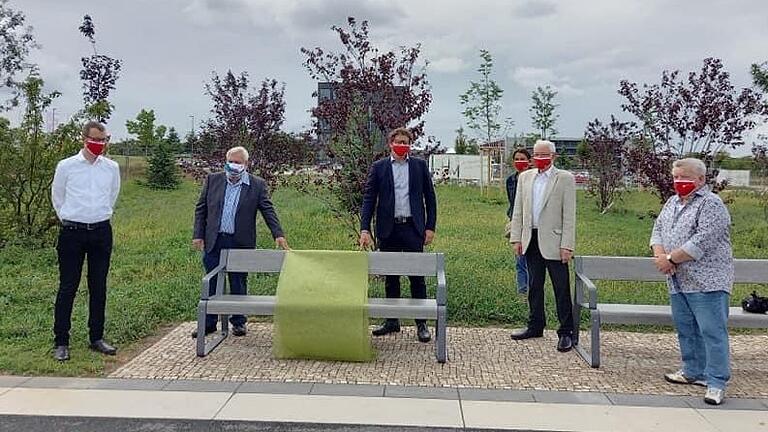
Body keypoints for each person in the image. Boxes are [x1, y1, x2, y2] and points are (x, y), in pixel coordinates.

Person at [650, 158, 733, 406]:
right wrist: (660, 255)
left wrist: (670, 258)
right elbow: (658, 228)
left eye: (684, 178)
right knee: (686, 328)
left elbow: (703, 239)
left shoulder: (712, 204)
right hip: (678, 279)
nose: (679, 183)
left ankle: (716, 381)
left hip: (707, 281)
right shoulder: (672, 202)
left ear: (700, 179)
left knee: (712, 331)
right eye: (676, 178)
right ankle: (692, 370)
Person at [192, 146, 289, 338]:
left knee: (238, 281)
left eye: (238, 162)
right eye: (231, 161)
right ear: (226, 161)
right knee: (211, 280)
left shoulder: (257, 185)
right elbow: (201, 208)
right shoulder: (213, 180)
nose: (234, 165)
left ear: (245, 164)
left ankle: (238, 321)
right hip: (215, 239)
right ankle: (210, 323)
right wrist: (198, 234)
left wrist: (278, 233)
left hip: (240, 241)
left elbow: (268, 210)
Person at [51, 121, 121, 361]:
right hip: (72, 232)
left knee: (98, 285)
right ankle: (61, 340)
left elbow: (112, 196)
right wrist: (72, 218)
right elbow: (58, 197)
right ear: (84, 139)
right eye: (96, 139)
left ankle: (96, 337)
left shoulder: (111, 168)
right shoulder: (67, 166)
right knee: (68, 286)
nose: (100, 144)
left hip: (100, 231)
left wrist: (97, 217)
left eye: (103, 140)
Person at [359, 128, 437, 343]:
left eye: (406, 142)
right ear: (390, 144)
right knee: (391, 276)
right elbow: (369, 199)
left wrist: (430, 227)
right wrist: (364, 229)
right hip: (388, 228)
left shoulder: (419, 166)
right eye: (399, 141)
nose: (402, 145)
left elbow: (430, 198)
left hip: (413, 228)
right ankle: (392, 320)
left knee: (416, 276)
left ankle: (421, 323)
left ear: (410, 145)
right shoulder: (379, 167)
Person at [509, 140, 576, 352]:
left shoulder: (564, 178)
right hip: (531, 237)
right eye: (535, 155)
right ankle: (535, 324)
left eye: (543, 155)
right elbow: (519, 210)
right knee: (534, 285)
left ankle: (566, 331)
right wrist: (516, 238)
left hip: (554, 242)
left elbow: (569, 216)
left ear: (553, 156)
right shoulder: (525, 177)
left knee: (561, 287)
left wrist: (567, 244)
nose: (539, 159)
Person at [505, 148, 532, 295]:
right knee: (520, 258)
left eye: (522, 159)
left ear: (529, 161)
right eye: (516, 159)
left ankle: (533, 289)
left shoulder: (534, 179)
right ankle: (523, 291)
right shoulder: (510, 180)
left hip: (532, 223)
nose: (519, 162)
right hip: (517, 223)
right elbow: (512, 202)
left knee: (532, 260)